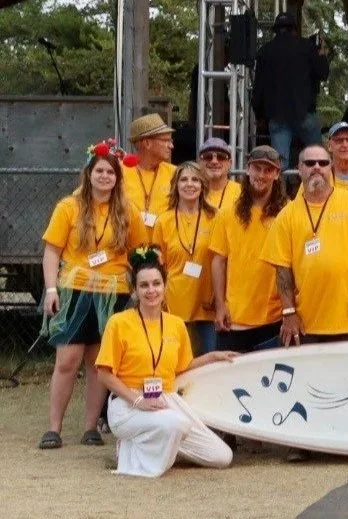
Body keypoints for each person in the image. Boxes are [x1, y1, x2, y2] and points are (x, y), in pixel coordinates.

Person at [38, 143, 146, 450]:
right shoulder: (68, 207)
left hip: (113, 293)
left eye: (110, 172)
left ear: (118, 176)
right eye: (99, 170)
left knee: (100, 363)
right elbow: (52, 251)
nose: (104, 177)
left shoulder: (128, 211)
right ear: (89, 173)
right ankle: (54, 428)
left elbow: (139, 253)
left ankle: (90, 428)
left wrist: (140, 289)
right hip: (75, 290)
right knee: (67, 360)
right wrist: (50, 289)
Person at [96, 248, 237, 477]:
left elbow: (181, 367)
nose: (151, 291)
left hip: (166, 399)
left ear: (164, 286)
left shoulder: (176, 324)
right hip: (128, 402)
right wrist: (138, 400)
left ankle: (147, 445)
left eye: (156, 283)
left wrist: (212, 357)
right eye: (144, 285)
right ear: (135, 290)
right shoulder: (119, 323)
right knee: (176, 424)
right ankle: (134, 448)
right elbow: (104, 374)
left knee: (222, 457)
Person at [263, 144, 348, 349]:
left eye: (323, 163)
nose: (317, 167)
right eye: (310, 163)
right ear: (299, 169)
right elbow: (282, 269)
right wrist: (288, 312)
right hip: (307, 325)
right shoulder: (287, 215)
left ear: (331, 167)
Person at [210, 146, 287, 353]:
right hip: (235, 318)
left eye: (268, 170)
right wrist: (219, 306)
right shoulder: (227, 214)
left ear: (277, 174)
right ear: (247, 169)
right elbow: (218, 261)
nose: (261, 175)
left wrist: (290, 311)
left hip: (274, 317)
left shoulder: (288, 213)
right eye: (257, 168)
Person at [153, 162, 220, 355]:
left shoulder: (216, 218)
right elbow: (159, 266)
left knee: (208, 362)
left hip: (207, 304)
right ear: (175, 185)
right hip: (173, 303)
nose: (189, 184)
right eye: (183, 179)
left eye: (195, 179)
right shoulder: (163, 221)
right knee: (175, 361)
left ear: (203, 185)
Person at [253, 12, 329, 166]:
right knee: (317, 159)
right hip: (304, 112)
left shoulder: (265, 51)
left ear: (276, 30)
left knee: (280, 164)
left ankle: (281, 189)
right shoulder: (307, 47)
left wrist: (260, 116)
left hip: (277, 115)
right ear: (295, 29)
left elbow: (258, 87)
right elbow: (323, 73)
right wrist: (321, 53)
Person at [124, 114, 177, 242]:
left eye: (171, 141)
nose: (171, 146)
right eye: (166, 140)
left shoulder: (176, 173)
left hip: (163, 252)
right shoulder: (117, 172)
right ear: (147, 143)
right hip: (126, 251)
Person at [197, 138, 242, 211]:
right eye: (208, 156)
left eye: (221, 157)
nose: (214, 161)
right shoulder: (190, 191)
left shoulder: (242, 194)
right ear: (199, 162)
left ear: (230, 163)